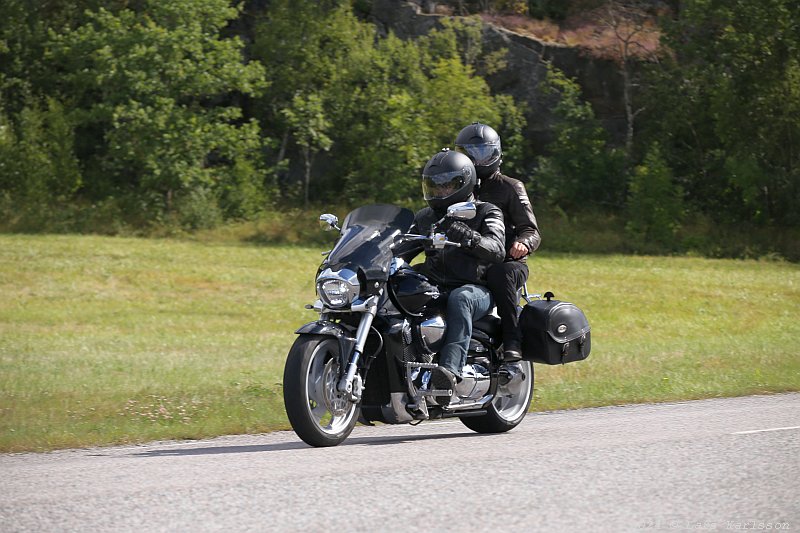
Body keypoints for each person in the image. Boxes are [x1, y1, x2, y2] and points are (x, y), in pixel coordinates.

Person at [397, 148, 506, 405]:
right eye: (435, 185)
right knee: (399, 290)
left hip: (476, 288)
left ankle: (449, 371)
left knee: (461, 298)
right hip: (434, 285)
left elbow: (497, 248)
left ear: (464, 183)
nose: (441, 191)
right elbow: (402, 248)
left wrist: (471, 237)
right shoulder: (425, 217)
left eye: (448, 185)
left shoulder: (486, 212)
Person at [455, 122, 541, 361]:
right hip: (469, 258)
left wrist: (523, 243)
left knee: (500, 273)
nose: (475, 159)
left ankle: (513, 340)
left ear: (495, 153)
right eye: (468, 153)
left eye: (481, 152)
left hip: (507, 261)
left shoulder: (510, 187)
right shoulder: (458, 185)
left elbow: (531, 230)